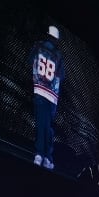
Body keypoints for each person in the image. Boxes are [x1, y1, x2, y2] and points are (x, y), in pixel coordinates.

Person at [30, 25, 65, 171]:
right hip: (52, 95)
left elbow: (30, 61)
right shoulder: (58, 55)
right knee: (48, 126)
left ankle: (40, 155)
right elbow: (61, 76)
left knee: (41, 123)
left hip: (39, 89)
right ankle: (47, 157)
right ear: (56, 39)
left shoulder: (37, 47)